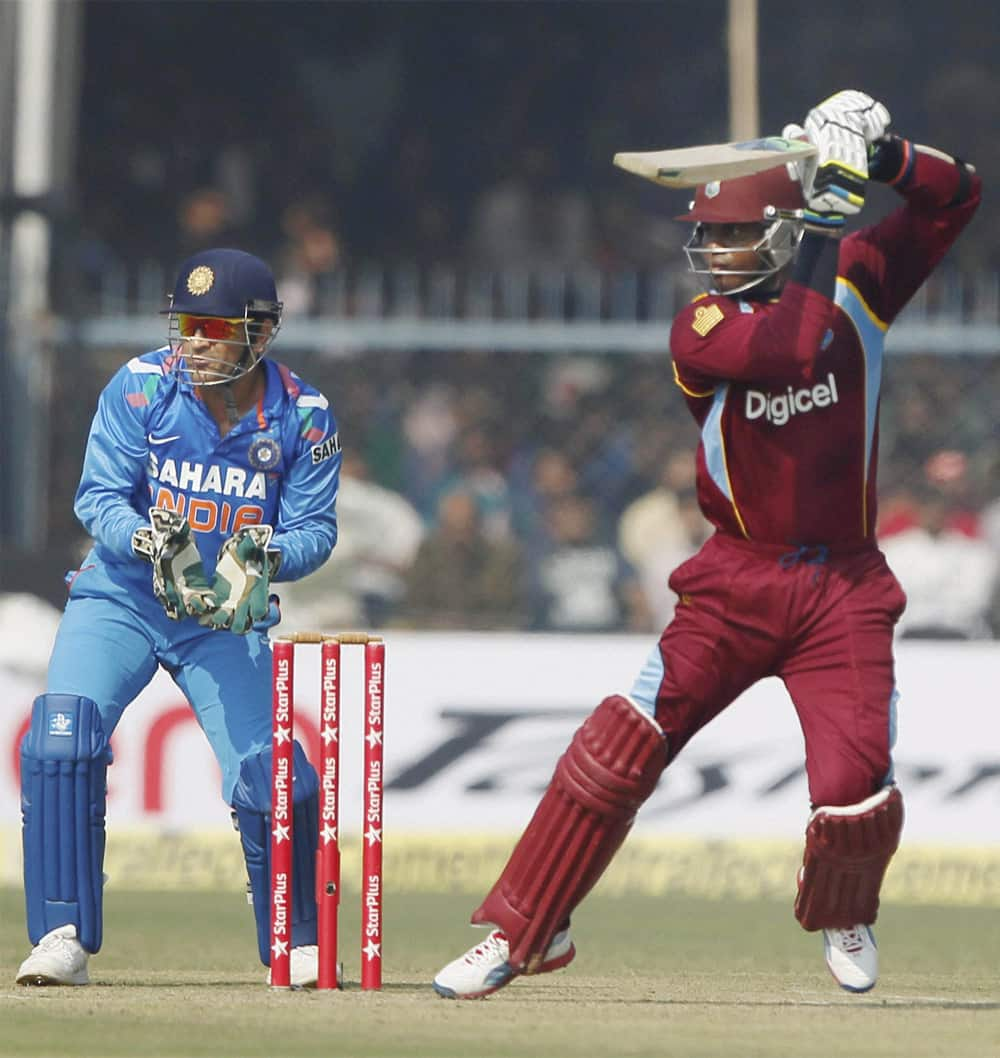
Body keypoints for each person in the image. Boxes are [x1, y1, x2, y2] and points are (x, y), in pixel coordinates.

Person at [433, 90, 980, 998]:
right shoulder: (702, 328)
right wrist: (820, 225)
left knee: (855, 790)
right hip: (736, 581)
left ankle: (842, 906)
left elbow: (956, 197)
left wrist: (882, 157)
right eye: (710, 241)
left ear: (775, 231)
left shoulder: (858, 279)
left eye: (731, 239)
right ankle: (526, 931)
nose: (714, 256)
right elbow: (791, 352)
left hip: (844, 584)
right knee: (619, 749)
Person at [15, 248, 342, 987]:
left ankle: (296, 942)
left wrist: (264, 556)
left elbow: (316, 529)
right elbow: (97, 496)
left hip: (222, 613)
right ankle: (61, 937)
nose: (191, 342)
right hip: (123, 595)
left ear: (260, 334)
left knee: (277, 776)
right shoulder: (140, 388)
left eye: (211, 328)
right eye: (185, 325)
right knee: (61, 736)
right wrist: (145, 537)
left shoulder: (305, 415)